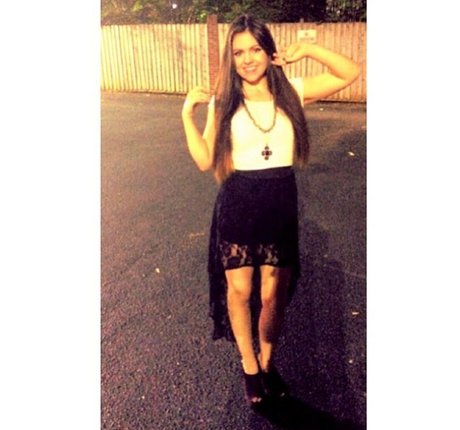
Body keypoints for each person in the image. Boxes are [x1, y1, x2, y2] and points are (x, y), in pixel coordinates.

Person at [181, 14, 361, 406]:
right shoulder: (223, 102)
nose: (247, 59)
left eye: (255, 49)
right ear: (231, 58)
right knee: (239, 289)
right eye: (239, 52)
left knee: (272, 295)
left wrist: (307, 49)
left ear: (268, 51)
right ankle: (249, 367)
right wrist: (186, 117)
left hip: (279, 203)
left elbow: (350, 72)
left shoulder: (292, 92)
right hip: (238, 203)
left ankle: (267, 362)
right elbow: (204, 159)